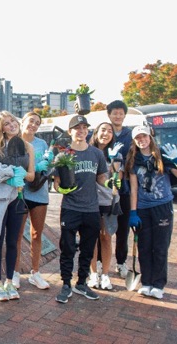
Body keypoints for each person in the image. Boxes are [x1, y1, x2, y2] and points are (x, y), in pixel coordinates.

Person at [53, 115, 110, 304]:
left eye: (84, 127)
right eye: (77, 128)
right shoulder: (63, 155)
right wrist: (61, 189)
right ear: (70, 132)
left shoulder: (96, 154)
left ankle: (82, 283)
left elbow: (101, 178)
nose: (81, 131)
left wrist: (114, 180)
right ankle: (66, 284)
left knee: (88, 248)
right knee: (67, 248)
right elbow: (57, 183)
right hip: (70, 208)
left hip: (91, 209)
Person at [126, 126, 177, 299]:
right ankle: (146, 282)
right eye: (138, 137)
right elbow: (133, 188)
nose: (142, 140)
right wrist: (133, 212)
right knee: (145, 247)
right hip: (143, 209)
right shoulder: (133, 160)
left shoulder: (162, 157)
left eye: (144, 136)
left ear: (150, 137)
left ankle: (158, 284)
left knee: (160, 248)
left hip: (163, 207)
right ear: (135, 141)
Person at [0, 111, 35, 301]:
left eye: (12, 120)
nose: (11, 125)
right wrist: (5, 173)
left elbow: (31, 175)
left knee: (13, 241)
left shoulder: (28, 147)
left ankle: (10, 281)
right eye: (6, 123)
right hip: (0, 198)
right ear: (1, 128)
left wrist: (21, 175)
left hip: (17, 198)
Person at [12, 112, 52, 290]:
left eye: (37, 123)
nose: (33, 125)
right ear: (23, 122)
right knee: (17, 235)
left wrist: (49, 164)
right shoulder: (15, 142)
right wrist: (34, 167)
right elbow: (13, 166)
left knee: (37, 234)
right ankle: (14, 273)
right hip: (20, 193)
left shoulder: (42, 144)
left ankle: (35, 273)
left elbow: (46, 170)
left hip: (39, 194)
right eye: (31, 121)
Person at [87, 122, 124, 290]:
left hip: (109, 201)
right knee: (91, 238)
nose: (106, 133)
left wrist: (114, 160)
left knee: (106, 237)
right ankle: (94, 273)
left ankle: (106, 274)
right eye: (103, 130)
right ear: (96, 132)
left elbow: (117, 179)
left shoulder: (116, 154)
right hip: (90, 202)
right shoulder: (87, 151)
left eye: (110, 131)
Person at [107, 100, 133, 278]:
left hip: (124, 189)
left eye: (120, 113)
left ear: (124, 115)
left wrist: (122, 168)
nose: (117, 116)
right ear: (108, 114)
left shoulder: (130, 135)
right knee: (104, 229)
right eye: (114, 113)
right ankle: (101, 262)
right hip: (105, 189)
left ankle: (121, 262)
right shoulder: (103, 132)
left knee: (123, 229)